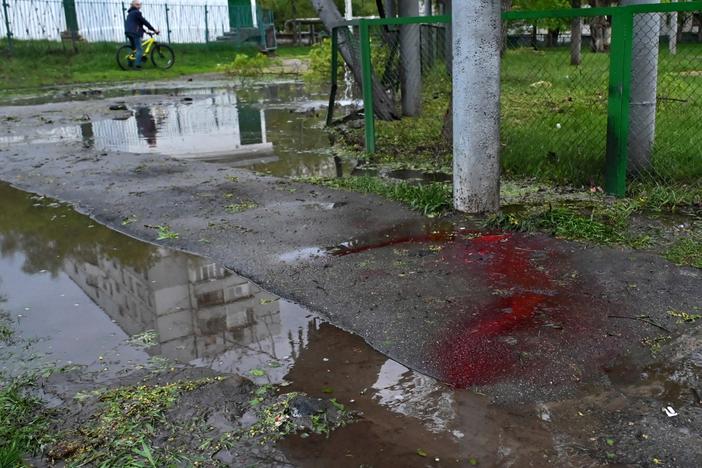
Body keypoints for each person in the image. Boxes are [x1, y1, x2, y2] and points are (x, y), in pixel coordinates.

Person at [124, 1, 159, 69]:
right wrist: (154, 30)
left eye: (140, 4)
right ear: (133, 5)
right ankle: (138, 65)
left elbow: (137, 24)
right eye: (137, 4)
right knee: (139, 49)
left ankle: (130, 63)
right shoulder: (137, 12)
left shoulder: (130, 13)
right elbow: (144, 22)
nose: (139, 6)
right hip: (135, 32)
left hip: (128, 32)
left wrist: (145, 31)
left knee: (133, 49)